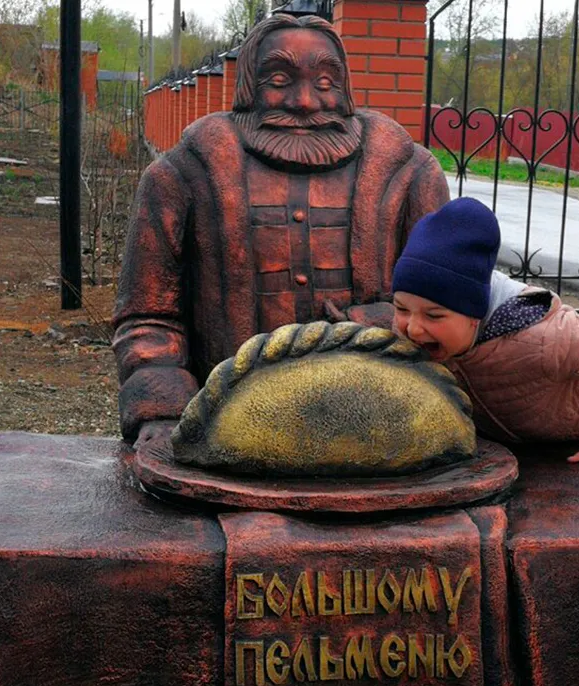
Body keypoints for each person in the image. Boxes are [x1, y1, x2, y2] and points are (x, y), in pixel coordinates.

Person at [113, 12, 449, 444]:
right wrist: (163, 410)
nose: (304, 102)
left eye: (324, 83)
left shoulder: (410, 174)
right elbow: (148, 315)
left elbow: (448, 307)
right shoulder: (184, 176)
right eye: (279, 81)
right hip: (229, 427)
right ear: (248, 89)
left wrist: (378, 322)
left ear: (344, 90)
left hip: (381, 424)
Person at [389, 197, 579, 477]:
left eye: (433, 315)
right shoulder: (417, 331)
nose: (413, 329)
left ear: (475, 314)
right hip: (515, 441)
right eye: (402, 308)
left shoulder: (545, 339)